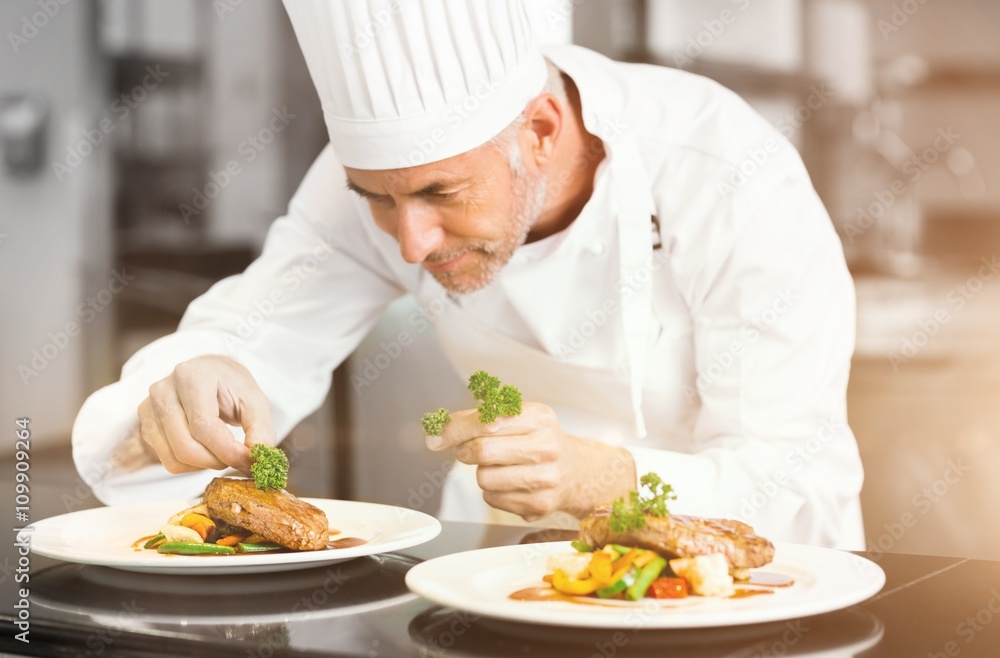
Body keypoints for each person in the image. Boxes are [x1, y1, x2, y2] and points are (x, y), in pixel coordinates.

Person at [72, 0, 865, 548]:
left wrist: (606, 477)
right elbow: (255, 333)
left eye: (441, 193)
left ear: (543, 132)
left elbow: (798, 486)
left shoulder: (726, 171)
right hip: (504, 575)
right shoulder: (384, 183)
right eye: (376, 198)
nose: (410, 241)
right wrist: (201, 378)